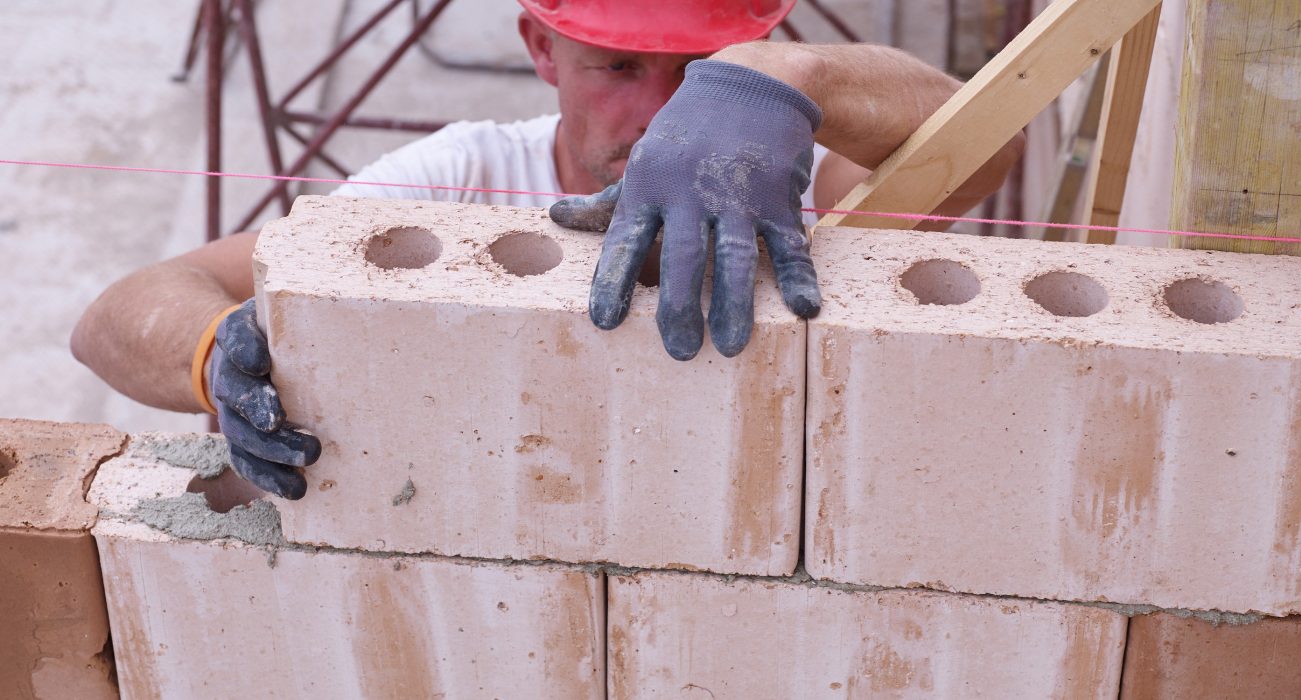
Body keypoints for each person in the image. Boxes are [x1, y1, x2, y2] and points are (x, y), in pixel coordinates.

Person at [71, 0, 1025, 499]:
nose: (660, 118)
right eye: (617, 68)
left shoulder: (780, 178)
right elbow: (118, 315)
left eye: (696, 75)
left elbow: (990, 144)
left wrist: (789, 79)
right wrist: (214, 350)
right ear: (540, 48)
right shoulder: (463, 177)